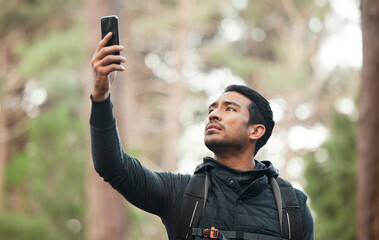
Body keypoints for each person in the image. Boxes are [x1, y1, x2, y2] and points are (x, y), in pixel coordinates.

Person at [90, 32, 314, 239]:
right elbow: (113, 166)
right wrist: (101, 95)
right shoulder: (179, 193)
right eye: (212, 109)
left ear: (256, 131)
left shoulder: (292, 207)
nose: (214, 115)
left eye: (229, 109)